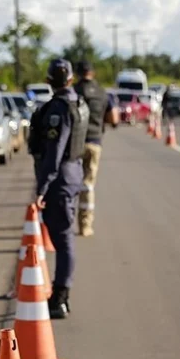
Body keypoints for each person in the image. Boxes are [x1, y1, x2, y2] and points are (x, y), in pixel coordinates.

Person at [31, 59, 89, 319]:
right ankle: (61, 294)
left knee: (63, 239)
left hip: (60, 180)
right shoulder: (79, 102)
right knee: (63, 237)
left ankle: (60, 297)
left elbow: (54, 152)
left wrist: (42, 188)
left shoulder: (59, 108)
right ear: (71, 80)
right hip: (73, 174)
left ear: (48, 81)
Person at [71, 61, 109, 238]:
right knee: (88, 185)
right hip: (94, 142)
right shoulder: (102, 93)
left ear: (77, 74)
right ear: (93, 73)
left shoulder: (73, 92)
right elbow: (113, 117)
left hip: (74, 144)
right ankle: (85, 226)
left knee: (70, 181)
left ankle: (66, 220)